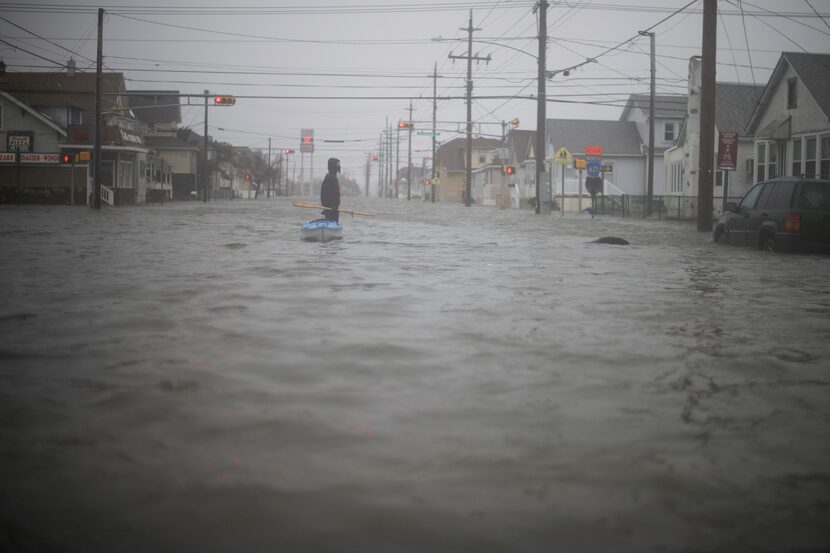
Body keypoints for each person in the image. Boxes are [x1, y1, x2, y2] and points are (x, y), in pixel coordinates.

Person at [320, 157, 341, 223]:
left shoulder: (329, 176)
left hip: (330, 208)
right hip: (331, 209)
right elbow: (326, 193)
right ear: (333, 167)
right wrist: (333, 206)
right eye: (338, 165)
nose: (340, 167)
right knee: (332, 222)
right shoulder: (331, 178)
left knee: (330, 221)